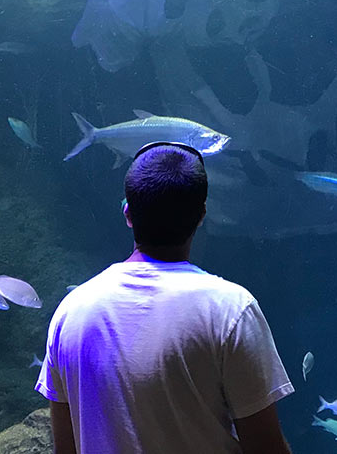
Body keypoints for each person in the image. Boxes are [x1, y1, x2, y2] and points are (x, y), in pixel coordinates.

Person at [36, 141, 296, 454]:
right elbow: (266, 448)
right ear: (201, 216)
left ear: (128, 213)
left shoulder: (72, 310)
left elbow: (65, 447)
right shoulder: (230, 311)